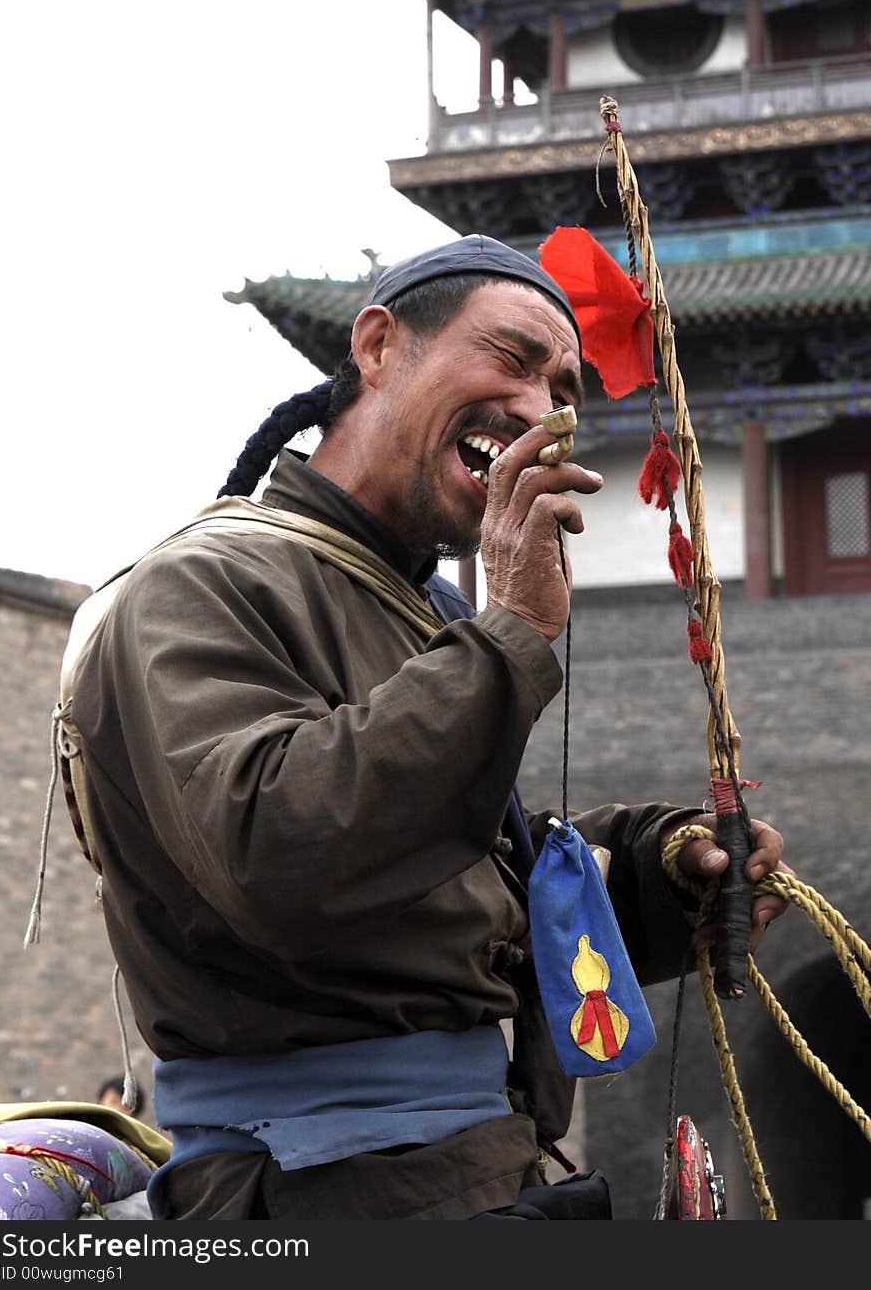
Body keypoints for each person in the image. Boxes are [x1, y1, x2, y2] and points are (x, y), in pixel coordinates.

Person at [69, 235, 788, 1220]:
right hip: (322, 1185)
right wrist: (514, 637)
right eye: (512, 359)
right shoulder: (203, 584)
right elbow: (280, 852)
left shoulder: (425, 614)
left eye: (562, 385)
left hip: (474, 1167)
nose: (542, 409)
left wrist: (667, 876)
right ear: (377, 345)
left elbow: (465, 902)